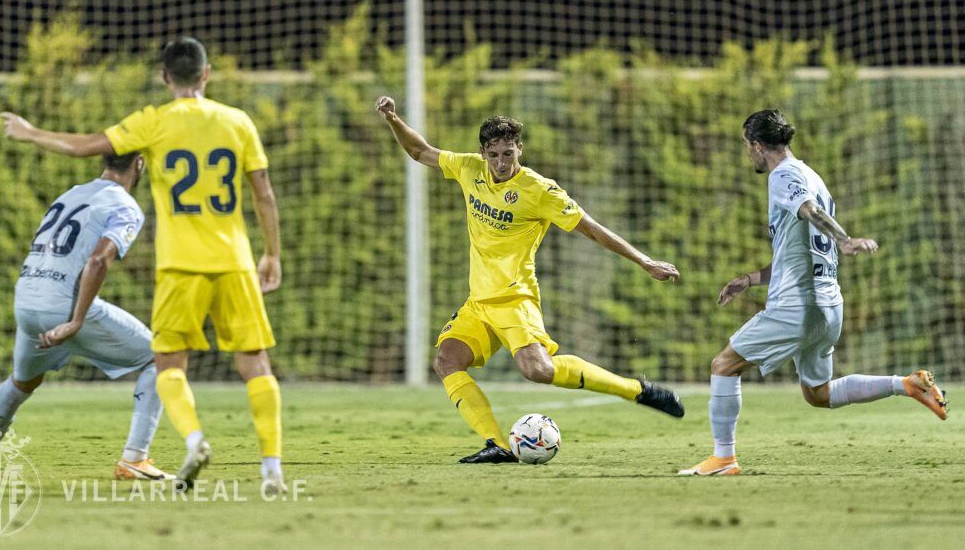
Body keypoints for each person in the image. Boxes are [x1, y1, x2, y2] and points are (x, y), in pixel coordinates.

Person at [0, 37, 285, 493]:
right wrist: (270, 252)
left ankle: (193, 440)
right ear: (207, 74)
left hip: (179, 265)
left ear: (165, 77)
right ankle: (272, 465)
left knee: (168, 361)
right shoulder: (238, 122)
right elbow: (264, 191)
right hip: (234, 260)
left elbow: (86, 147)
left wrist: (30, 132)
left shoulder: (152, 123)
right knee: (254, 361)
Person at [377, 96, 684, 464]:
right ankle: (495, 443)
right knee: (446, 360)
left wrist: (644, 260)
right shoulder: (468, 169)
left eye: (509, 153)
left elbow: (591, 229)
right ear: (483, 153)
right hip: (479, 303)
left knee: (538, 371)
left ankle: (637, 390)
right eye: (494, 155)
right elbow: (419, 151)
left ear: (519, 149)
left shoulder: (539, 190)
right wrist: (393, 118)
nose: (502, 163)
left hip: (515, 299)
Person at [679, 109, 948, 477]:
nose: (747, 154)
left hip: (797, 305)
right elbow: (801, 250)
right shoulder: (813, 176)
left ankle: (723, 458)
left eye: (746, 146)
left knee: (723, 366)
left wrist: (845, 239)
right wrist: (751, 279)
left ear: (758, 146)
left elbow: (809, 211)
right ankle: (906, 384)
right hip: (828, 304)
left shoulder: (783, 175)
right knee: (818, 394)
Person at [0, 152, 170, 481]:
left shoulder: (72, 193)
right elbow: (98, 261)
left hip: (28, 299)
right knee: (159, 356)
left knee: (22, 381)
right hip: (63, 306)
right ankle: (135, 460)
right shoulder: (125, 205)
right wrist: (76, 320)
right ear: (140, 163)